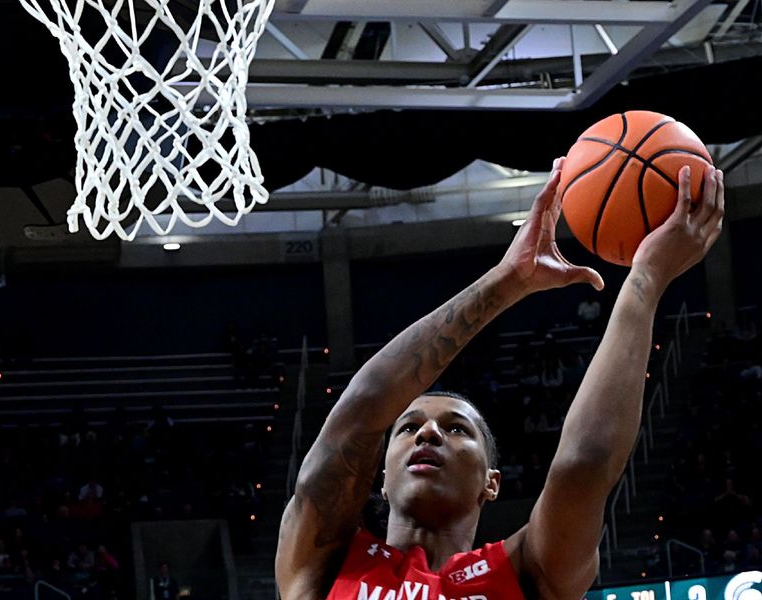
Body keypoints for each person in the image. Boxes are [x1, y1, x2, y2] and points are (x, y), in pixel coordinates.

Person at [275, 160, 724, 600]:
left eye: (456, 429)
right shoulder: (324, 559)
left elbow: (582, 465)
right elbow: (364, 408)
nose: (428, 431)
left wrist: (645, 279)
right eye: (408, 427)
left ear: (492, 482)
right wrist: (508, 281)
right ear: (382, 479)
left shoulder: (527, 572)